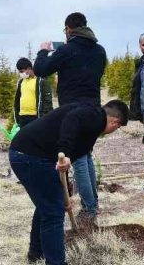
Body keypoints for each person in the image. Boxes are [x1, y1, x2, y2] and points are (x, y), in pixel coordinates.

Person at [8, 100, 129, 265]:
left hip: (27, 154)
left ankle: (36, 253)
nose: (115, 130)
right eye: (118, 127)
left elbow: (64, 163)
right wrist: (64, 152)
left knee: (47, 206)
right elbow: (71, 120)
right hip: (31, 156)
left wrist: (63, 196)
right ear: (115, 121)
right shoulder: (94, 117)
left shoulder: (90, 117)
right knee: (53, 213)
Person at [33, 12, 108, 227]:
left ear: (68, 29)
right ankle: (93, 203)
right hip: (94, 108)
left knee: (78, 158)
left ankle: (89, 208)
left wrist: (43, 51)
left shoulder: (67, 50)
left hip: (73, 111)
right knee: (87, 154)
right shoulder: (99, 50)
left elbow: (41, 69)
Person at [13, 57, 54, 128]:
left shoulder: (41, 81)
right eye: (19, 72)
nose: (20, 74)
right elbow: (17, 101)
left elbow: (47, 101)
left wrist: (44, 118)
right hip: (22, 117)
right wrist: (17, 119)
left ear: (29, 69)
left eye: (22, 71)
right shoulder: (21, 82)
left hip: (35, 117)